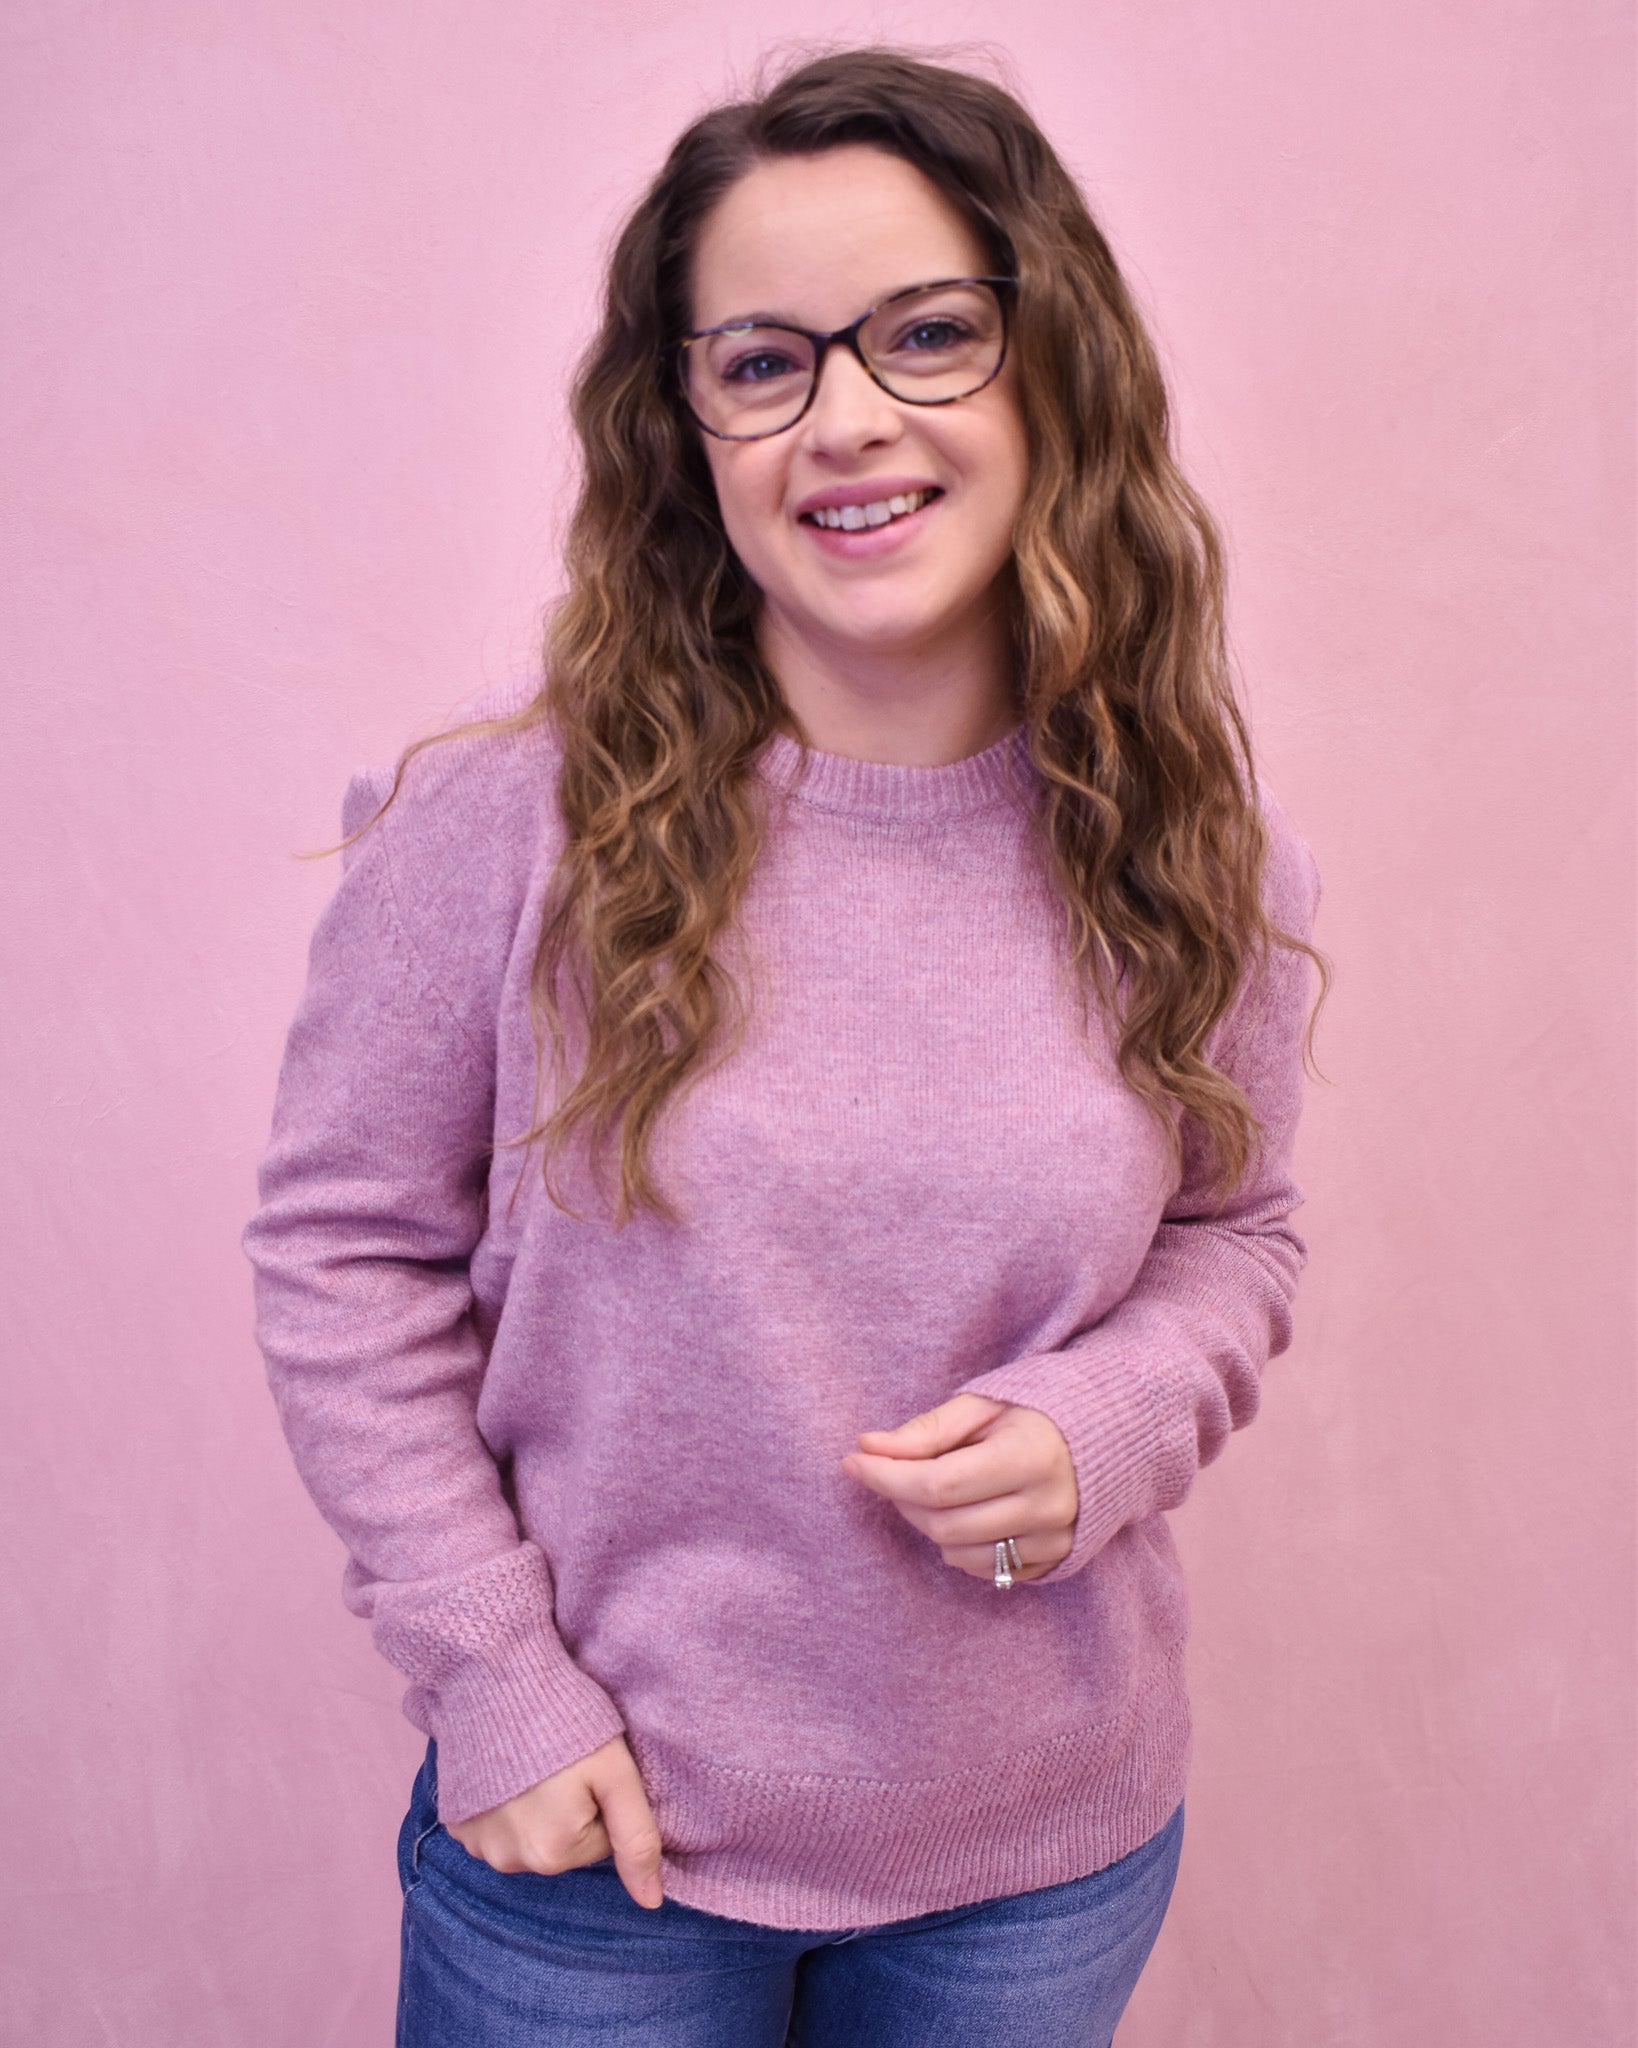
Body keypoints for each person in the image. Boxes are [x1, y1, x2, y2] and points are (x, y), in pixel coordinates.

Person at [244, 46, 1324, 2048]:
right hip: (606, 1865)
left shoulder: (1186, 840)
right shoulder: (508, 822)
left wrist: (1117, 1422)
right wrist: (494, 1671)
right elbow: (340, 1257)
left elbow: (1240, 1231)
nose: (847, 419)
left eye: (929, 336)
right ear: (689, 422)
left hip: (1040, 1865)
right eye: (763, 363)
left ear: (1050, 366)